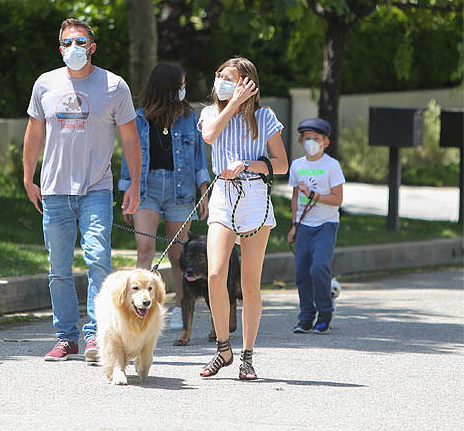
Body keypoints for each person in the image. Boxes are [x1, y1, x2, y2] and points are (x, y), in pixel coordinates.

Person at [23, 18, 141, 363]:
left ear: (92, 47)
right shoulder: (45, 84)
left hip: (96, 189)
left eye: (80, 41)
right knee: (58, 268)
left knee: (98, 261)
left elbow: (130, 138)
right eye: (67, 42)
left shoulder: (114, 85)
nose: (73, 47)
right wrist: (29, 178)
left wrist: (134, 182)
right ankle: (65, 338)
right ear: (60, 48)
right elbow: (34, 133)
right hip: (54, 190)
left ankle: (95, 336)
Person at [197, 57, 288, 379]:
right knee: (215, 273)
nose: (221, 82)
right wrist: (232, 102)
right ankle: (223, 349)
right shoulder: (211, 113)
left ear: (247, 83)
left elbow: (282, 165)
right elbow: (209, 136)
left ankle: (248, 355)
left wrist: (250, 164)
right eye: (219, 76)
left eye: (230, 78)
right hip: (222, 195)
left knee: (249, 283)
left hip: (254, 198)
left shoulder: (264, 117)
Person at [119, 63, 210, 331]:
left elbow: (199, 158)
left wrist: (203, 192)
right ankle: (140, 312)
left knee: (178, 254)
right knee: (145, 249)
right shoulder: (138, 118)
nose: (184, 89)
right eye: (180, 84)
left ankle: (183, 311)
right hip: (147, 189)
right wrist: (128, 189)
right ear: (167, 87)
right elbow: (129, 156)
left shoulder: (190, 117)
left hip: (180, 189)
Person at [287, 118, 345, 334]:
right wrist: (294, 225)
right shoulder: (297, 165)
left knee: (319, 267)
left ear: (325, 142)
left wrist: (313, 195)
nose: (311, 142)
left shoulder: (332, 165)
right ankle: (306, 316)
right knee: (301, 273)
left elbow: (337, 199)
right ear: (301, 141)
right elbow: (294, 197)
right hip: (304, 226)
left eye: (316, 139)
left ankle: (325, 311)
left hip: (326, 224)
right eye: (307, 138)